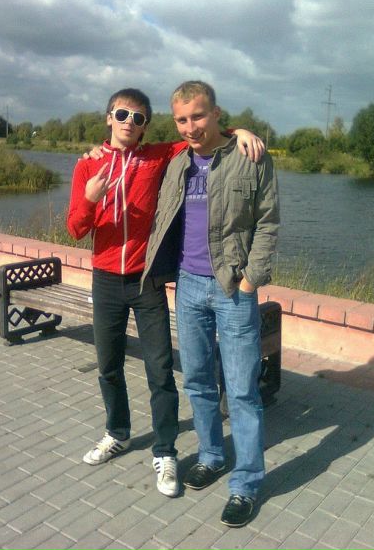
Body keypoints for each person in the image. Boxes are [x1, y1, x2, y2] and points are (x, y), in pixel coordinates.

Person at [67, 87, 265, 498]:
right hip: (106, 279)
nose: (129, 123)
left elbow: (202, 135)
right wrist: (89, 200)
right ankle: (117, 432)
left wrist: (239, 131)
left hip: (147, 281)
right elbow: (75, 228)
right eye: (122, 114)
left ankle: (165, 451)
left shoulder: (159, 156)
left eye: (138, 118)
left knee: (160, 371)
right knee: (108, 365)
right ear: (109, 118)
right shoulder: (88, 165)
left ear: (145, 127)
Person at [142, 81, 279, 525]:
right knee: (198, 381)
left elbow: (268, 222)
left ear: (217, 113)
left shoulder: (250, 157)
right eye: (181, 120)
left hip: (231, 287)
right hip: (187, 286)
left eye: (198, 116)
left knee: (240, 391)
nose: (190, 127)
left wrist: (250, 281)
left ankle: (246, 483)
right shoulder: (177, 161)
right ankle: (211, 455)